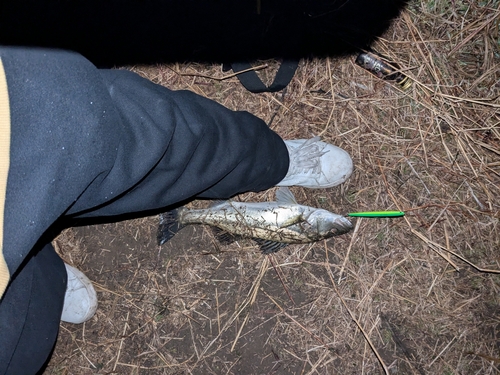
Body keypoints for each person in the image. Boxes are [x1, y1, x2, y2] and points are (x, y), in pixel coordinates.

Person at [0, 46, 353, 374]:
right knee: (21, 335)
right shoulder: (311, 224)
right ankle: (31, 281)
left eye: (333, 225)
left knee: (107, 133)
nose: (337, 223)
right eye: (333, 225)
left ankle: (267, 160)